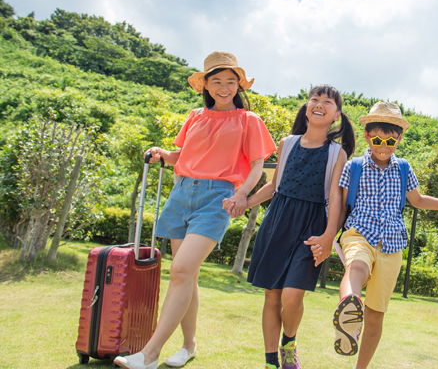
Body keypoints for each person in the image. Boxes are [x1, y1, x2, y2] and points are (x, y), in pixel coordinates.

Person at [114, 51, 276, 369]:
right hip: (181, 194)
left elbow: (258, 166)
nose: (224, 87)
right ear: (206, 85)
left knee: (180, 271)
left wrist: (243, 193)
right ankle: (188, 347)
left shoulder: (249, 121)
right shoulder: (195, 116)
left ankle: (150, 353)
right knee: (188, 276)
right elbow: (182, 155)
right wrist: (164, 154)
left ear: (239, 86)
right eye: (217, 81)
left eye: (231, 81)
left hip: (217, 197)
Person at [237, 85, 355, 369]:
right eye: (314, 99)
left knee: (291, 296)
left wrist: (328, 236)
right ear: (306, 107)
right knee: (271, 295)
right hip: (277, 222)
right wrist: (245, 201)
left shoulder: (337, 153)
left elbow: (337, 199)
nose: (319, 104)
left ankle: (288, 342)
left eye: (327, 102)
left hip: (312, 228)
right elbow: (274, 186)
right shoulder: (287, 143)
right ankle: (270, 362)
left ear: (336, 115)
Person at [329, 101, 438, 369]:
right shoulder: (355, 166)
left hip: (392, 243)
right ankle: (349, 305)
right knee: (356, 267)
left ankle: (360, 366)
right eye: (378, 140)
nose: (383, 147)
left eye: (390, 142)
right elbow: (341, 206)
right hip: (359, 232)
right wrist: (328, 237)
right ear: (367, 136)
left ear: (399, 138)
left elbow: (417, 200)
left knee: (375, 314)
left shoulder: (404, 168)